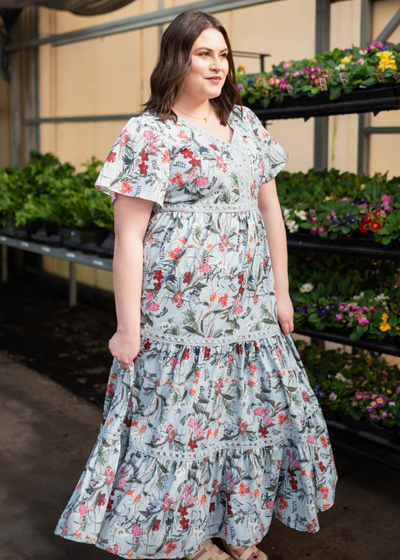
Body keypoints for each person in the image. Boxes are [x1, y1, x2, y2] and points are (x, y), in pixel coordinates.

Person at [54, 9, 338, 560]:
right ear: (175, 59)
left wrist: (281, 293)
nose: (217, 65)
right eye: (203, 53)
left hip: (248, 314)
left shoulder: (248, 124)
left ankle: (238, 533)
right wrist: (127, 330)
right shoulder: (149, 133)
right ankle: (186, 542)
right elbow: (130, 237)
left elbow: (270, 215)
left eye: (223, 53)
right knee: (181, 434)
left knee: (246, 424)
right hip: (177, 321)